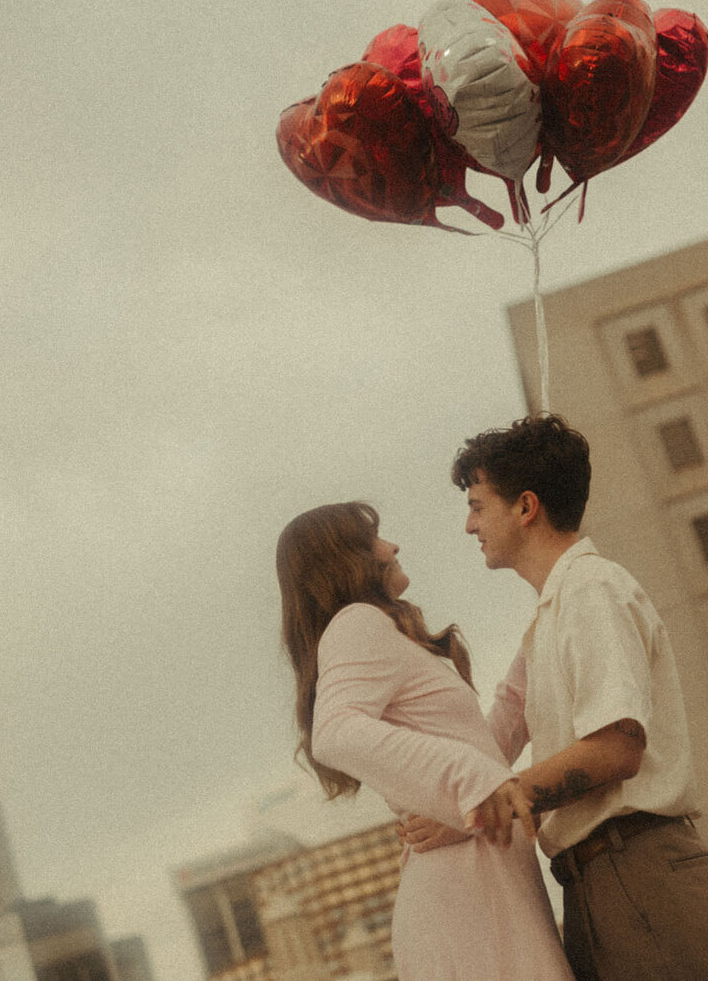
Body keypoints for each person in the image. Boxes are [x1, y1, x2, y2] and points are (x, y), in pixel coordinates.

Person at [417, 413, 708, 981]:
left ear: (526, 507)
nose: (469, 526)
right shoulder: (551, 614)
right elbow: (498, 727)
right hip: (597, 882)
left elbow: (616, 749)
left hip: (637, 871)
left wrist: (481, 810)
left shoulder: (591, 591)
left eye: (478, 505)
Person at [277, 501, 574, 980]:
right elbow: (335, 731)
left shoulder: (382, 633)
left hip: (482, 880)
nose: (392, 547)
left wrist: (540, 638)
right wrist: (473, 782)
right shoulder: (356, 622)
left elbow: (484, 747)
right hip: (465, 893)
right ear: (345, 559)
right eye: (374, 538)